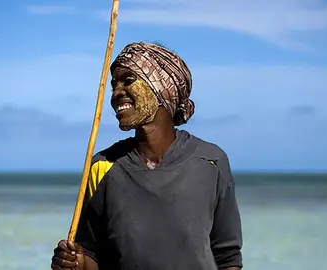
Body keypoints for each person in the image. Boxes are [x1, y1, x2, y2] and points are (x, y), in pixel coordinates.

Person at [51, 42, 243, 270]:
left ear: (161, 87)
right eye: (113, 84)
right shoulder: (102, 167)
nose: (116, 93)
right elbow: (91, 252)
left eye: (128, 80)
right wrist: (76, 263)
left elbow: (227, 257)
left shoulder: (212, 162)